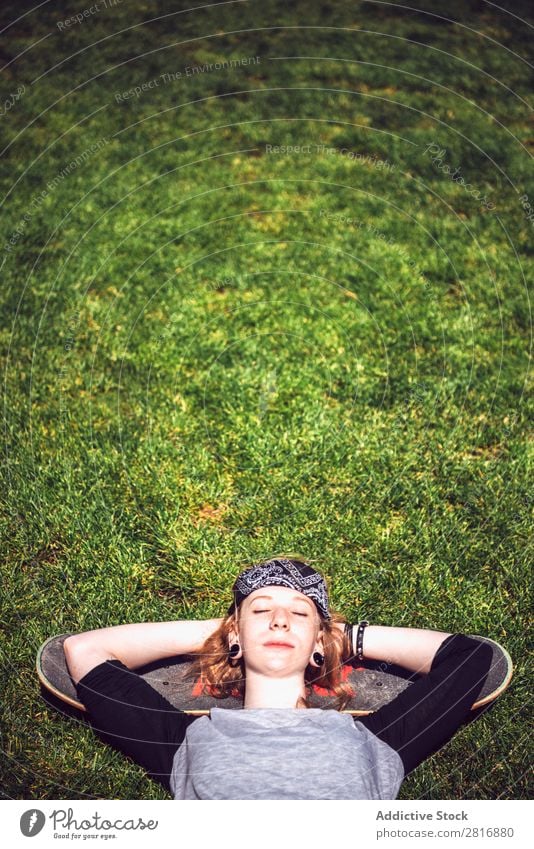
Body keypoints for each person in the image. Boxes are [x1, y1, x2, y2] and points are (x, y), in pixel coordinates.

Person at [64, 557, 494, 799]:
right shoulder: (186, 744)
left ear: (322, 646)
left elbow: (472, 657)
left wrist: (335, 637)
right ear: (235, 636)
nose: (280, 621)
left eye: (299, 613)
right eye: (262, 609)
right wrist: (229, 633)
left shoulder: (374, 744)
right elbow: (82, 651)